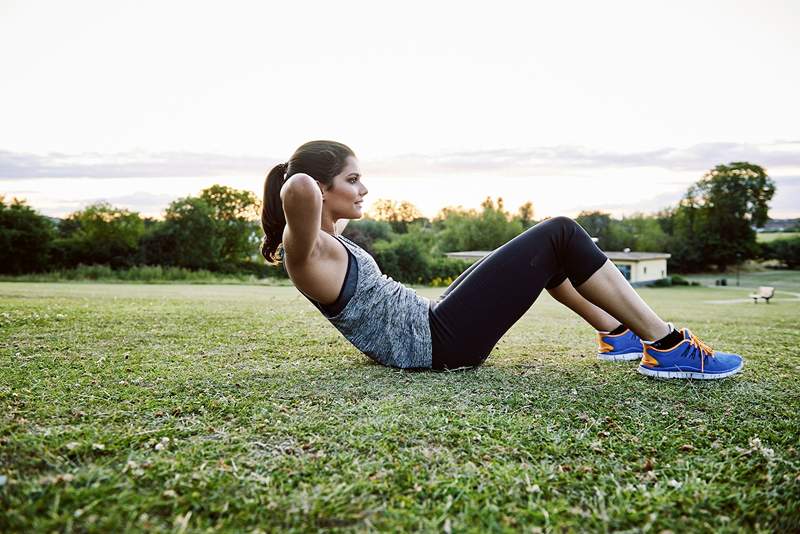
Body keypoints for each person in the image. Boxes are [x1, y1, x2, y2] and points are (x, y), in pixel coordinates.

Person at [260, 140, 744, 380]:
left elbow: (312, 194)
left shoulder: (327, 237)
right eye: (353, 179)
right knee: (560, 232)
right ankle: (667, 345)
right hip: (436, 345)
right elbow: (298, 186)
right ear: (321, 189)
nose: (364, 189)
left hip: (431, 327)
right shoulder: (306, 251)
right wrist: (298, 170)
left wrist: (327, 182)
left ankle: (616, 335)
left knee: (547, 255)